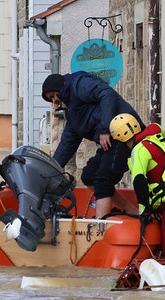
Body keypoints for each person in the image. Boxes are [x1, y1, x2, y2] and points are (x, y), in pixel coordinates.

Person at [41, 71, 143, 219]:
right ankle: (131, 210)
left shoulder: (79, 84)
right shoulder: (73, 113)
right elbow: (67, 145)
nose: (54, 101)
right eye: (51, 99)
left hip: (123, 134)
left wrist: (104, 129)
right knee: (89, 176)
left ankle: (100, 226)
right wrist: (51, 170)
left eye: (53, 96)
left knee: (103, 179)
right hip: (110, 141)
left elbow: (107, 94)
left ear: (61, 86)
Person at [109, 113, 165, 259]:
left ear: (121, 140)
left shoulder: (138, 150)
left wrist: (144, 211)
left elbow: (139, 181)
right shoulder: (158, 140)